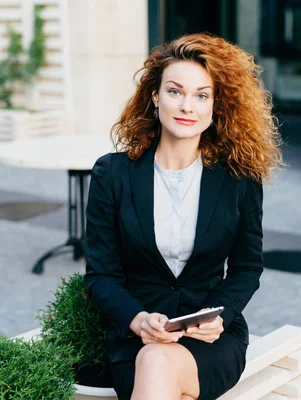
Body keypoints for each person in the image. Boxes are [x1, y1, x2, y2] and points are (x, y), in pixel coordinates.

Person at [84, 33, 282, 400]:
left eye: (201, 95)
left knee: (159, 366)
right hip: (137, 339)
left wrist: (219, 315)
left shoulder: (239, 179)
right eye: (175, 91)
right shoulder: (112, 174)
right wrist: (138, 320)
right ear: (156, 97)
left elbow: (246, 268)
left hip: (212, 340)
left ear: (215, 107)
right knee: (155, 361)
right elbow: (101, 275)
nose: (187, 106)